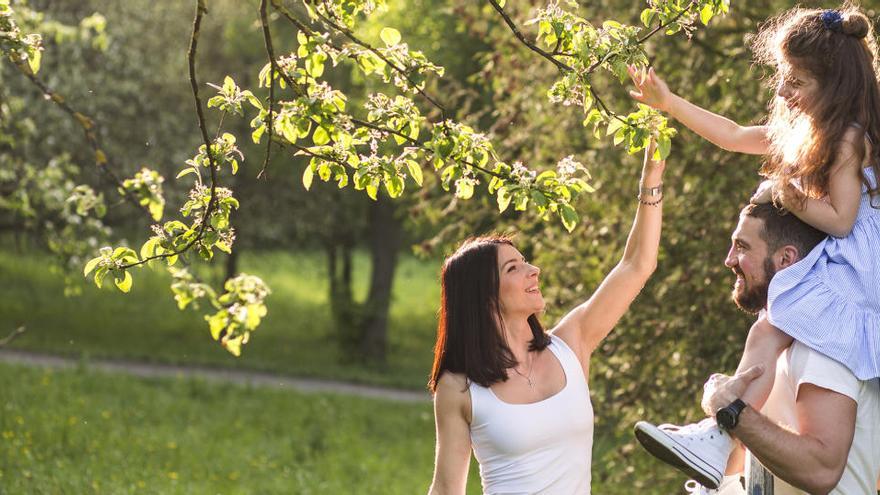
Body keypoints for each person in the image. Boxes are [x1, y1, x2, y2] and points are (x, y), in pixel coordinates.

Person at [628, 5, 880, 489]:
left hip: (853, 275)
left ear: (834, 84)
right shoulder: (803, 136)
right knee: (764, 332)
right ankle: (720, 436)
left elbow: (843, 221)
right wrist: (670, 103)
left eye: (796, 82)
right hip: (829, 267)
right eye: (783, 78)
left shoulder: (848, 140)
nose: (783, 91)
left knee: (773, 322)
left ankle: (722, 433)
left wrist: (789, 196)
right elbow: (733, 135)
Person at [426, 141, 665, 494]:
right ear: (484, 295)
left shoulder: (571, 343)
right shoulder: (459, 386)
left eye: (525, 261)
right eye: (514, 268)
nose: (533, 270)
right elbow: (447, 488)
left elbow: (637, 265)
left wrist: (652, 176)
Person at [686, 202, 880, 494]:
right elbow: (743, 455)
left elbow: (821, 469)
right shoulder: (775, 348)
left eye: (742, 247)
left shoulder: (825, 342)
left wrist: (731, 410)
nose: (728, 260)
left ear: (786, 258)